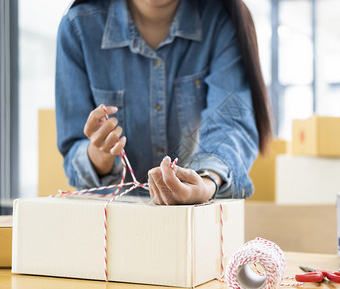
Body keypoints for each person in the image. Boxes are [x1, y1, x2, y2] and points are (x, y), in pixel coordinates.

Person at [55, 0, 272, 205]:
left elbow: (231, 124)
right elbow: (74, 148)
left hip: (194, 221)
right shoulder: (78, 28)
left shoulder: (221, 21)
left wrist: (205, 183)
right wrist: (100, 154)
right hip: (111, 223)